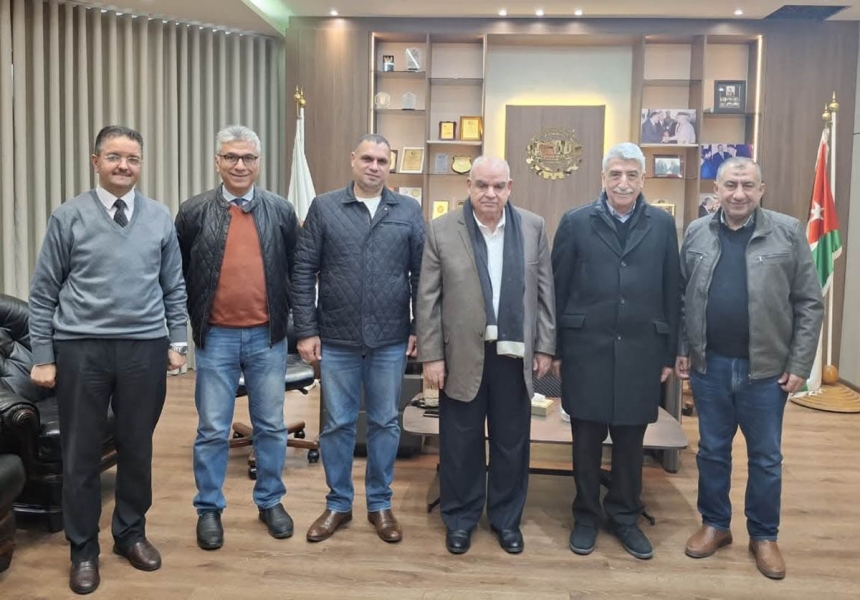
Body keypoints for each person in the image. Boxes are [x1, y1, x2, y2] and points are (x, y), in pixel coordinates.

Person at [28, 125, 188, 595]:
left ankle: (130, 534)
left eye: (133, 158)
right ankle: (83, 550)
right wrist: (44, 356)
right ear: (96, 161)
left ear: (141, 165)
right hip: (82, 349)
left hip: (145, 347)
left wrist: (178, 341)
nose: (124, 166)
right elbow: (43, 292)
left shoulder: (159, 217)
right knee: (80, 455)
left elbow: (174, 286)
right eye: (114, 157)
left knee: (137, 448)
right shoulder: (69, 216)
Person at [676, 157, 823, 580]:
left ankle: (763, 535)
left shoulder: (788, 231)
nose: (738, 194)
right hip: (710, 367)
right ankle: (715, 524)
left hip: (766, 372)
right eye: (730, 185)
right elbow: (683, 297)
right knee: (712, 452)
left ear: (761, 189)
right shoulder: (697, 232)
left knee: (766, 458)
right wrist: (683, 348)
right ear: (717, 190)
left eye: (747, 185)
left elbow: (809, 303)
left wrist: (800, 362)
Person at [417, 156, 555, 556]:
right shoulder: (442, 229)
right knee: (460, 443)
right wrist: (431, 356)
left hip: (514, 356)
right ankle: (460, 519)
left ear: (510, 187)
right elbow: (427, 299)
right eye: (482, 185)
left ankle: (506, 520)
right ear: (469, 187)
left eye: (498, 186)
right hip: (460, 355)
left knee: (512, 442)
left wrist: (545, 345)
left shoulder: (532, 226)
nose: (490, 193)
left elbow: (545, 292)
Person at [293, 134, 425, 544]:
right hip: (336, 337)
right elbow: (303, 270)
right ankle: (338, 503)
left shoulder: (408, 210)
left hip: (390, 338)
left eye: (382, 161)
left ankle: (380, 504)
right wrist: (306, 330)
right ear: (353, 160)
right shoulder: (325, 207)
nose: (374, 166)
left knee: (385, 421)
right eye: (367, 158)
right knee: (337, 424)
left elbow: (422, 274)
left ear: (390, 165)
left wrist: (419, 327)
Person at [551, 142, 680, 560]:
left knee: (630, 440)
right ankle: (586, 515)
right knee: (585, 439)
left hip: (642, 349)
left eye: (631, 175)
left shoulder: (662, 225)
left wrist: (668, 353)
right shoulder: (575, 222)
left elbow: (672, 289)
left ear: (643, 179)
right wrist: (555, 350)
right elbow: (557, 289)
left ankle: (625, 515)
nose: (623, 183)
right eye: (615, 174)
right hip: (585, 347)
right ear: (603, 178)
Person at [175, 125, 300, 551]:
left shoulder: (280, 210)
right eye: (231, 157)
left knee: (271, 426)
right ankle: (209, 508)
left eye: (248, 157)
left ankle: (270, 501)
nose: (240, 165)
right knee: (212, 429)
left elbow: (295, 269)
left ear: (259, 163)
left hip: (267, 337)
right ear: (217, 162)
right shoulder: (193, 212)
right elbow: (179, 273)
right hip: (216, 339)